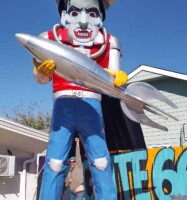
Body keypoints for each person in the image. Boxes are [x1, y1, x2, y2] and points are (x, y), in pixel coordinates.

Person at [33, 0, 128, 199]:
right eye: (75, 13)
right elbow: (41, 78)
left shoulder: (110, 42)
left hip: (91, 105)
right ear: (64, 16)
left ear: (100, 17)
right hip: (63, 104)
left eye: (92, 13)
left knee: (101, 162)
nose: (83, 22)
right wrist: (42, 71)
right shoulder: (49, 39)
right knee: (55, 162)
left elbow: (113, 78)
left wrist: (117, 77)